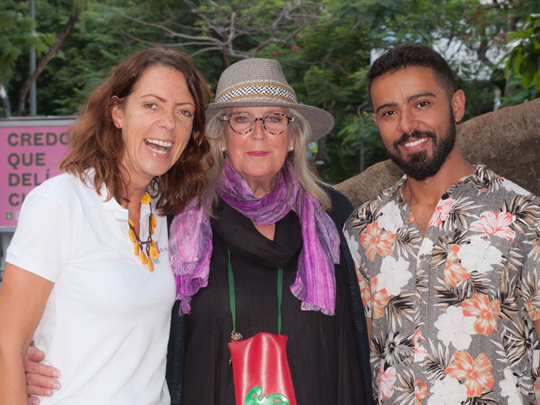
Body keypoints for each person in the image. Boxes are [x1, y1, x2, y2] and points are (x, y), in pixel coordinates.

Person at [23, 58, 373, 405]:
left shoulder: (332, 215)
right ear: (221, 138)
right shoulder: (180, 216)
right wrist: (29, 355)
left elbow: (365, 324)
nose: (258, 133)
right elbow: (124, 303)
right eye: (241, 119)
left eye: (274, 119)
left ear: (293, 136)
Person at [0, 47, 211, 404]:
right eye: (152, 105)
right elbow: (7, 346)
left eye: (184, 112)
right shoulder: (60, 202)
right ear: (117, 112)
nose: (169, 123)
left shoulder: (169, 212)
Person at [343, 42, 540, 404]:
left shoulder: (525, 217)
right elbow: (364, 354)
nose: (406, 125)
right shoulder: (362, 229)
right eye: (389, 112)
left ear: (456, 105)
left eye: (421, 104)